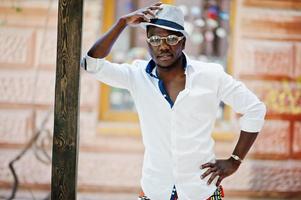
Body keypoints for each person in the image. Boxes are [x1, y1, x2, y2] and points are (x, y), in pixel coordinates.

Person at [81, 2, 266, 200]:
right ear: (148, 43)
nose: (163, 46)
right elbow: (92, 64)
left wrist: (235, 160)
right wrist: (122, 22)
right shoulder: (136, 76)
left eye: (171, 38)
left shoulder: (211, 76)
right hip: (154, 190)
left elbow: (254, 109)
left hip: (201, 191)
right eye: (154, 39)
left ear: (183, 42)